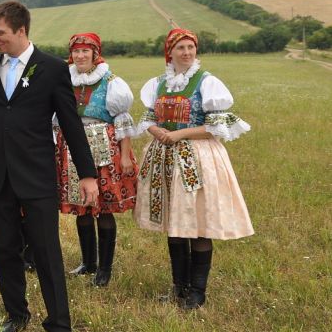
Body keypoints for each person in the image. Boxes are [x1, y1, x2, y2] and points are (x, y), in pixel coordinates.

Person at [0, 0, 97, 332]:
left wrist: (87, 174)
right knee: (4, 248)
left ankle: (58, 326)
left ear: (21, 30)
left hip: (36, 174)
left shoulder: (52, 68)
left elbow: (70, 123)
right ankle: (16, 314)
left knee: (46, 250)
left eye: (0, 33)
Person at [134, 28, 253, 309]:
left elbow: (216, 127)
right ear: (170, 52)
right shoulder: (158, 84)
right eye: (181, 48)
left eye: (190, 47)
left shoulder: (207, 82)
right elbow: (148, 118)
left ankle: (197, 292)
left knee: (199, 224)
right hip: (165, 158)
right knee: (174, 224)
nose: (186, 52)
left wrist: (180, 134)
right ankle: (179, 287)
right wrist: (157, 131)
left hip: (198, 159)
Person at [56, 33, 137, 288]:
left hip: (105, 149)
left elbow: (122, 121)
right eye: (76, 51)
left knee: (103, 208)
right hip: (72, 148)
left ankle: (105, 268)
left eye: (85, 51)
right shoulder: (65, 80)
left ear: (95, 53)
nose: (80, 56)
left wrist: (125, 156)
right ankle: (88, 262)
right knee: (82, 207)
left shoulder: (111, 82)